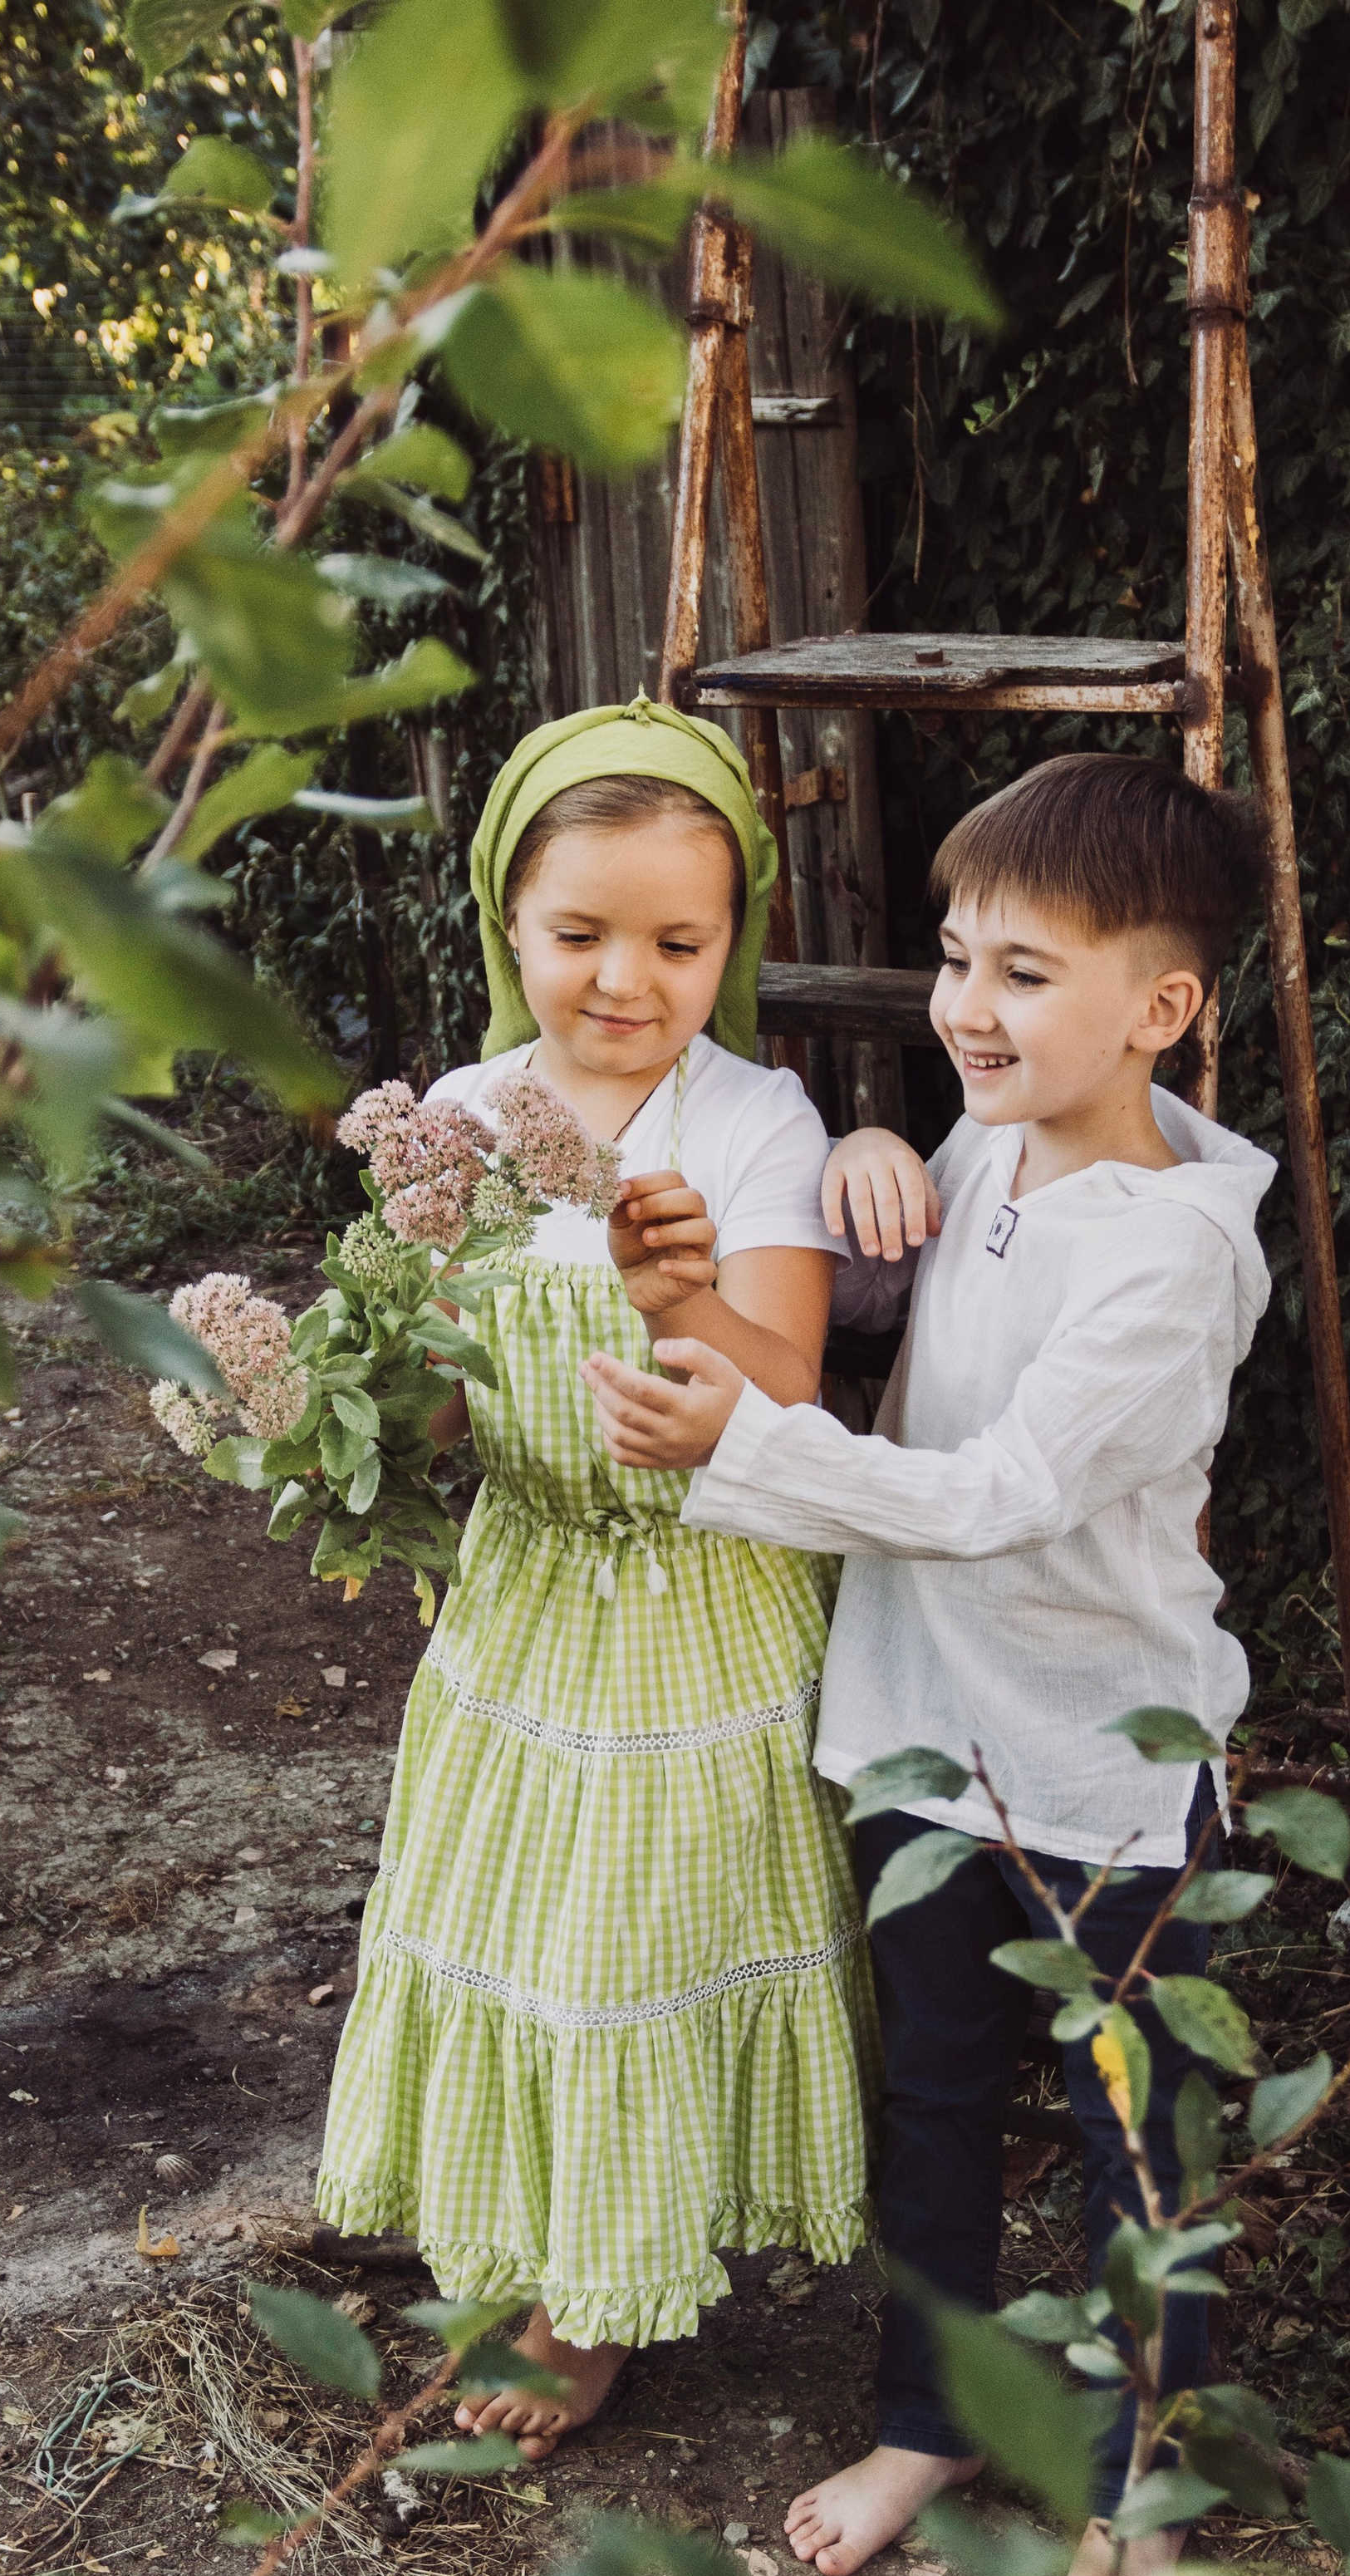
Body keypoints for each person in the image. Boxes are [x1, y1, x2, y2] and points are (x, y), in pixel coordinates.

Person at [581, 750, 1274, 2576]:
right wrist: (856, 1179)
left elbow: (988, 1500)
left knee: (1132, 2136)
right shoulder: (990, 1141)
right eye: (956, 957)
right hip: (920, 1735)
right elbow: (915, 1331)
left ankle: (1140, 2494)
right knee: (939, 2095)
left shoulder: (1171, 1257)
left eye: (1025, 971)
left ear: (1160, 1007)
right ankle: (928, 2421)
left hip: (1098, 1765)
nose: (968, 1005)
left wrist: (741, 1442)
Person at [316, 697, 874, 2457]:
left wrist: (675, 1298)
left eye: (675, 941)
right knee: (513, 1924)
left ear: (733, 946)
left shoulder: (755, 1122)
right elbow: (410, 1389)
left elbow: (785, 1388)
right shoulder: (463, 1116)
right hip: (530, 1586)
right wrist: (329, 1408)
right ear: (509, 927)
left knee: (639, 1940)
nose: (622, 978)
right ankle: (530, 2235)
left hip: (698, 1602)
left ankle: (592, 2307)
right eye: (577, 934)